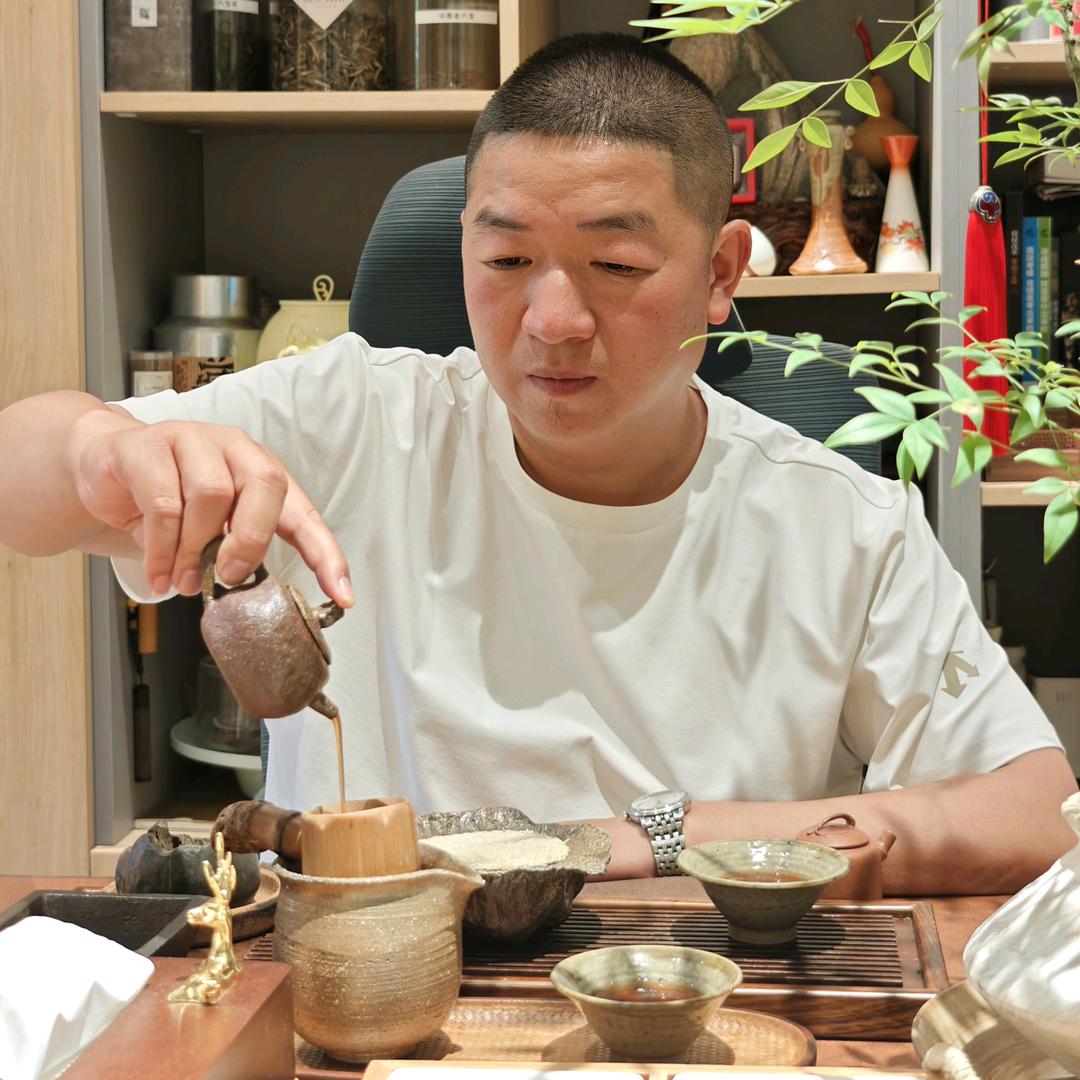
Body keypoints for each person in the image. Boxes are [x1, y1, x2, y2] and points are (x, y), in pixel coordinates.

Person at [0, 34, 1074, 892]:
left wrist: (657, 835)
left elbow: (1035, 813)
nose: (553, 321)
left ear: (720, 272)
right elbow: (19, 483)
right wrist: (109, 449)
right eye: (506, 260)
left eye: (615, 264)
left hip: (699, 1013)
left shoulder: (842, 524)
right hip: (365, 995)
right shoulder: (356, 415)